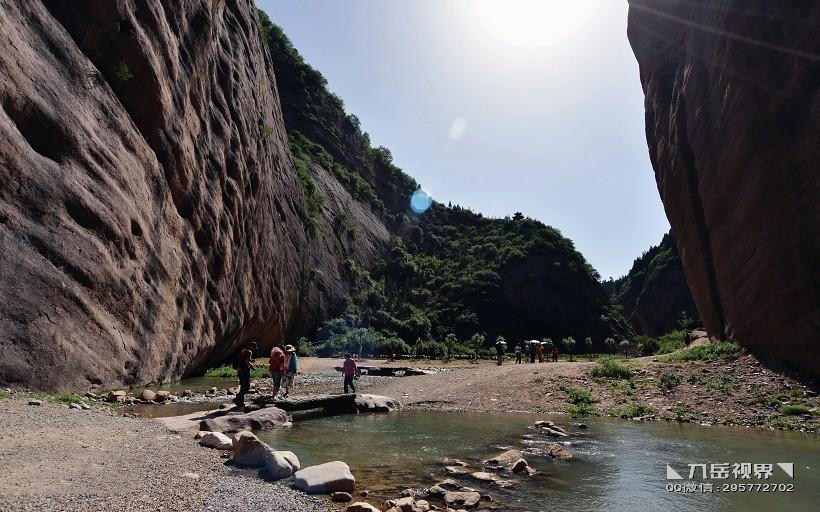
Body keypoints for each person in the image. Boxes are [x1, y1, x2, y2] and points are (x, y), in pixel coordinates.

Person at [233, 341, 257, 406]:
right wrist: (252, 366)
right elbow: (246, 361)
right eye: (254, 347)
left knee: (243, 386)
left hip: (240, 371)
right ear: (251, 346)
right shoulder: (249, 352)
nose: (254, 349)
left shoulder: (243, 351)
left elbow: (244, 359)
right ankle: (237, 398)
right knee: (246, 387)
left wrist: (251, 361)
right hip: (245, 371)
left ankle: (240, 402)